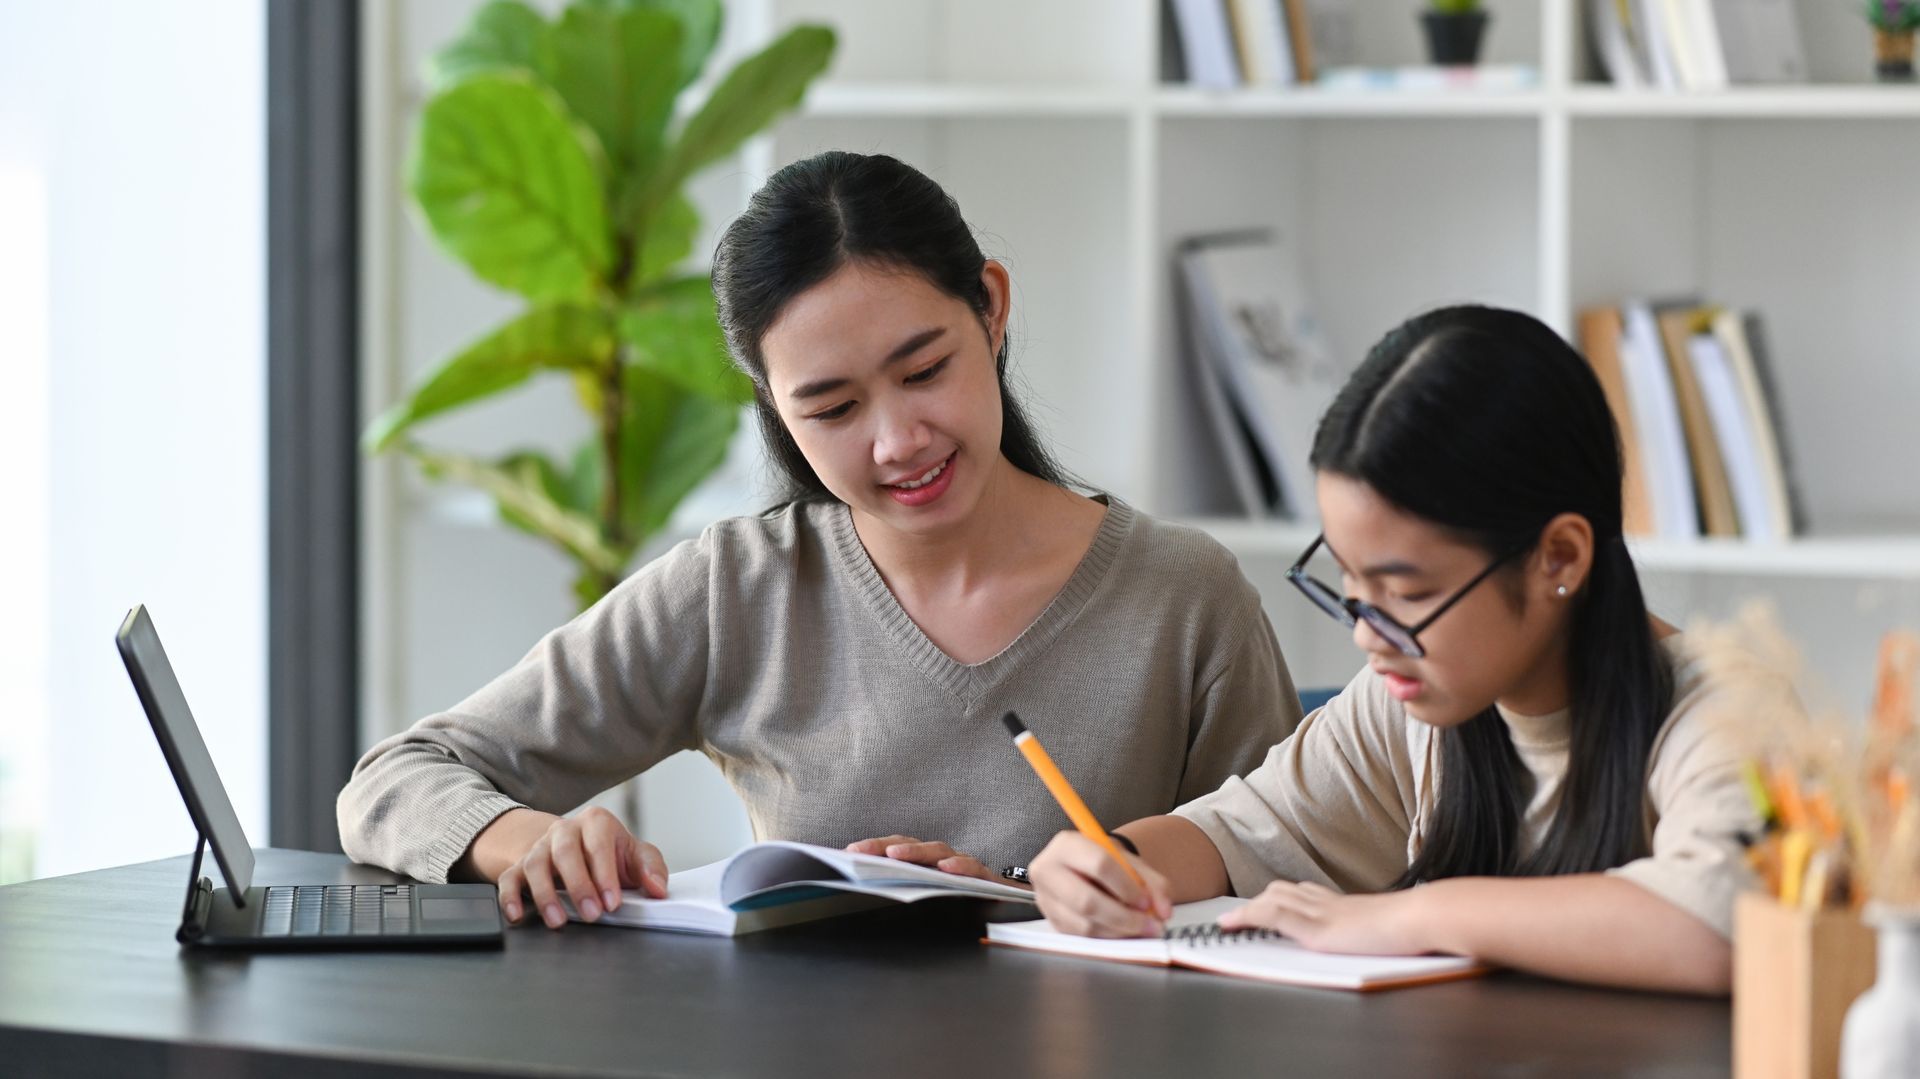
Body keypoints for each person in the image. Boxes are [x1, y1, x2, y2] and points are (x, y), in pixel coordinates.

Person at [337, 151, 1301, 931]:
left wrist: (999, 903)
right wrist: (529, 841)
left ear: (993, 310)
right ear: (773, 408)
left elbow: (1283, 884)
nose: (897, 441)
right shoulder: (740, 589)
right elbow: (393, 780)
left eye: (924, 370)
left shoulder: (1183, 597)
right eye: (832, 406)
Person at [1027, 305, 1779, 995]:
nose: (1365, 633)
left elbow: (1730, 924)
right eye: (1351, 583)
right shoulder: (1412, 707)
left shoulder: (1726, 711)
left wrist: (1415, 915)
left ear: (1558, 557)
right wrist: (1110, 861)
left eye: (1407, 593)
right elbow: (1236, 833)